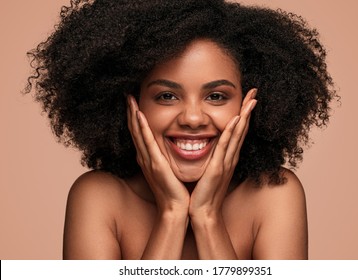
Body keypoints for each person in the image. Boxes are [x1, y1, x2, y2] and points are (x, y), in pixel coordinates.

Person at [26, 0, 336, 259]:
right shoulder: (98, 197)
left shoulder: (275, 194)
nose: (192, 118)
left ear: (249, 102)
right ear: (133, 105)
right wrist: (172, 214)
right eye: (167, 96)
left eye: (216, 96)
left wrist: (207, 217)